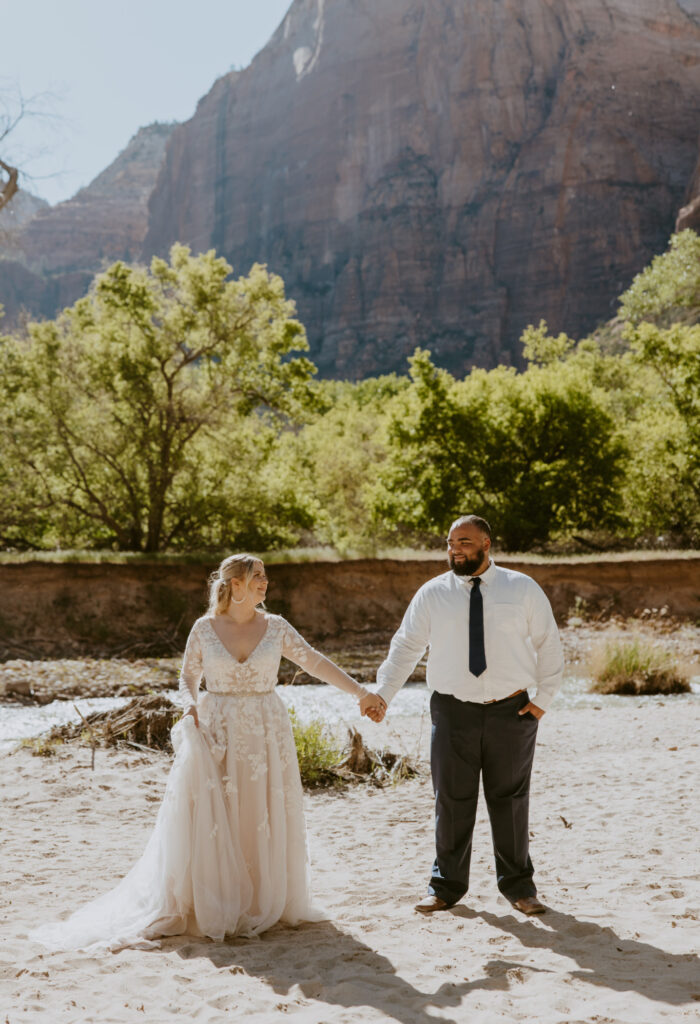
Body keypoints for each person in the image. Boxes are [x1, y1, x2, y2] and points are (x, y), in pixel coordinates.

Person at [31, 553, 386, 951]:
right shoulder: (204, 628)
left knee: (261, 810)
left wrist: (361, 692)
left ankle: (258, 901)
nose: (265, 583)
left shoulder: (277, 627)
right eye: (258, 576)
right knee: (218, 813)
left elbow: (315, 663)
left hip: (267, 729)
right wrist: (189, 706)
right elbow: (187, 677)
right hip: (216, 727)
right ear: (235, 584)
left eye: (265, 577)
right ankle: (218, 900)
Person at [369, 514, 563, 915]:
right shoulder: (432, 594)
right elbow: (406, 646)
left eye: (466, 542)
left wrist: (544, 698)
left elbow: (548, 642)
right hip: (452, 711)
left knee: (510, 800)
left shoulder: (521, 588)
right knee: (451, 800)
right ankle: (445, 888)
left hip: (512, 710)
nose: (456, 549)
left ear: (487, 544)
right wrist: (384, 693)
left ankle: (519, 888)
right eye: (451, 542)